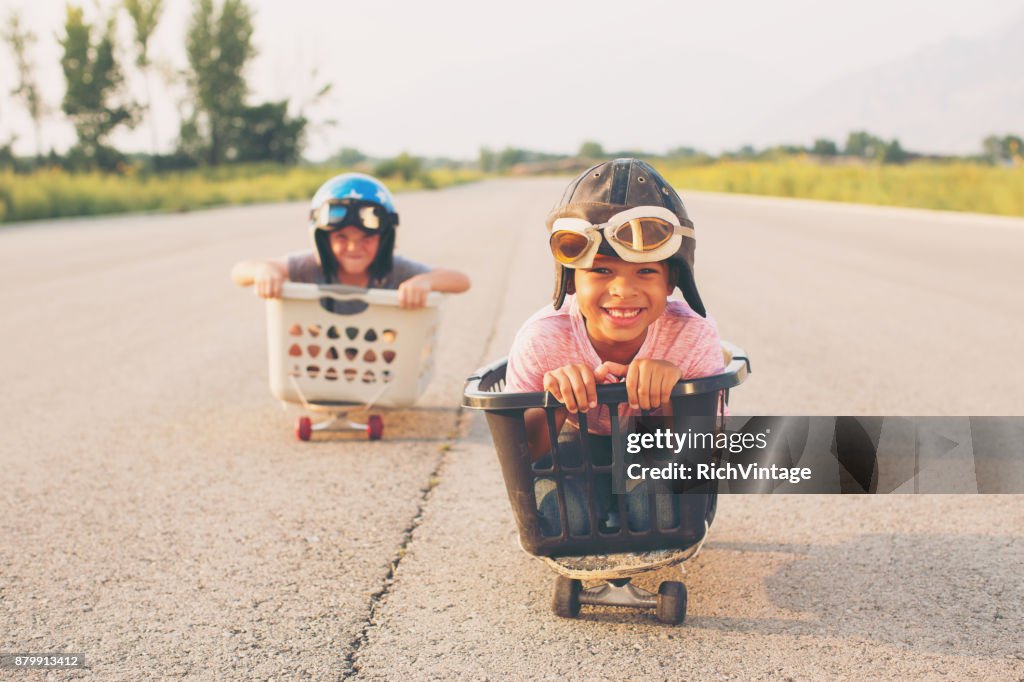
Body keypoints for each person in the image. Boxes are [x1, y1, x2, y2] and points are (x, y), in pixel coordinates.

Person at [504, 158, 725, 535]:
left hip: (656, 443)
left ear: (672, 281)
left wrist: (674, 395)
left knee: (661, 511)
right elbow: (523, 454)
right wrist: (556, 401)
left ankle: (633, 511)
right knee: (561, 519)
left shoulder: (691, 334)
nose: (623, 290)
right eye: (602, 270)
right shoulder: (542, 339)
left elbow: (707, 448)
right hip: (574, 446)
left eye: (646, 270)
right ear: (570, 280)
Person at [231, 173, 470, 307]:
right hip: (314, 364)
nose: (354, 247)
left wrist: (424, 282)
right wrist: (264, 271)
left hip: (378, 369)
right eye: (341, 237)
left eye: (366, 237)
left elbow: (461, 281)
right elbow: (239, 271)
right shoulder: (310, 266)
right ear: (323, 239)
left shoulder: (393, 270)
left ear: (384, 239)